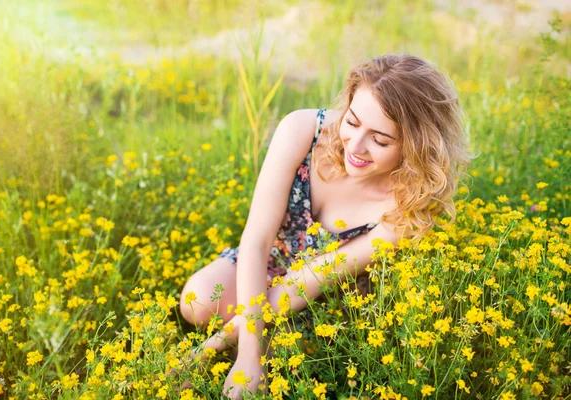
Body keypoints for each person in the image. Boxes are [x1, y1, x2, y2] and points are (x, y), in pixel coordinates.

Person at [178, 53, 471, 398]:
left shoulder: (408, 207)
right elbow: (256, 241)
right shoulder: (303, 130)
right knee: (196, 301)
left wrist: (212, 352)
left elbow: (303, 284)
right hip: (268, 259)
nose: (356, 146)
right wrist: (247, 354)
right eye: (352, 121)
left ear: (415, 146)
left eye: (380, 140)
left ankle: (254, 344)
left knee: (289, 357)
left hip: (322, 296)